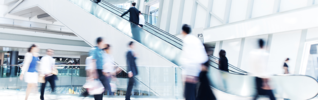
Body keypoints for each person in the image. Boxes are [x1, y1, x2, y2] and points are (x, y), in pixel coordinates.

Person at [180, 24, 208, 100]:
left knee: (188, 95)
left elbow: (185, 57)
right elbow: (203, 57)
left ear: (183, 31)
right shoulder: (196, 40)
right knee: (192, 94)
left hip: (189, 72)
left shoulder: (186, 40)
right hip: (196, 73)